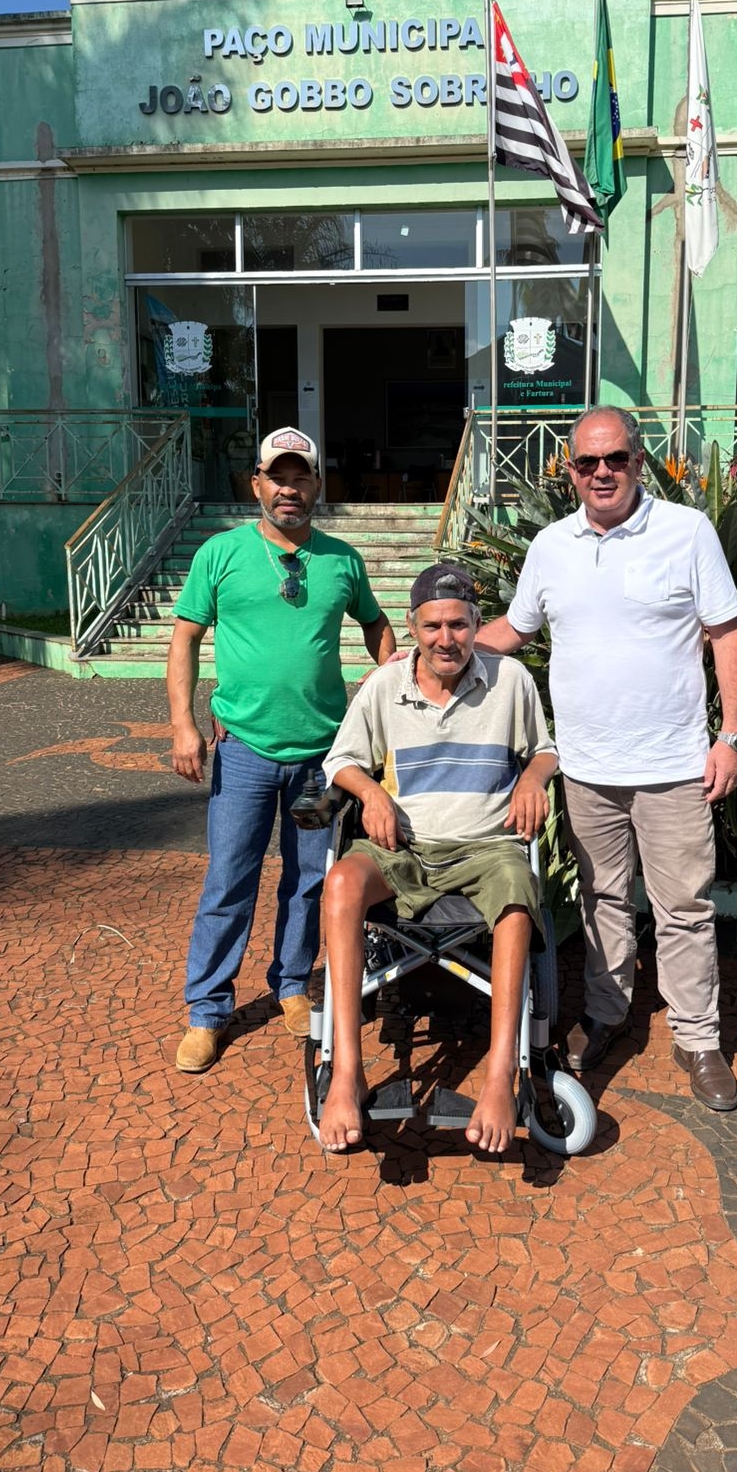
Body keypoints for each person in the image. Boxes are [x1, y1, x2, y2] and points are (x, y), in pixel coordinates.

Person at [477, 407, 737, 1111]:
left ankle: (698, 1037)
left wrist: (732, 736)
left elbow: (727, 632)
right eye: (587, 462)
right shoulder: (551, 545)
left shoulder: (686, 531)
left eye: (615, 459)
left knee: (683, 906)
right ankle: (606, 1013)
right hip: (587, 769)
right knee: (599, 899)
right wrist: (436, 649)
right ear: (570, 471)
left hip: (673, 767)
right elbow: (515, 628)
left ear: (639, 461)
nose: (601, 473)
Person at [169, 426, 395, 1073]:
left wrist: (386, 687)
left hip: (320, 762)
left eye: (301, 478)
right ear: (257, 484)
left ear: (317, 485)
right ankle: (208, 1010)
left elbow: (376, 623)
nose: (289, 489)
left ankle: (293, 984)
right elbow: (184, 638)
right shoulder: (221, 553)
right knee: (229, 880)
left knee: (308, 879)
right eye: (278, 477)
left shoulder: (341, 560)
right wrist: (183, 725)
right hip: (243, 753)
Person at [316, 563, 558, 1153]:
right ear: (412, 626)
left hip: (486, 845)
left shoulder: (510, 681)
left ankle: (500, 1076)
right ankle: (346, 1072)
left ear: (477, 623)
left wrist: (533, 778)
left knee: (517, 895)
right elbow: (340, 761)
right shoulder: (384, 686)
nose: (445, 639)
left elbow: (545, 750)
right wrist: (371, 793)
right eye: (432, 626)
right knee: (341, 883)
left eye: (458, 624)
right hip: (404, 846)